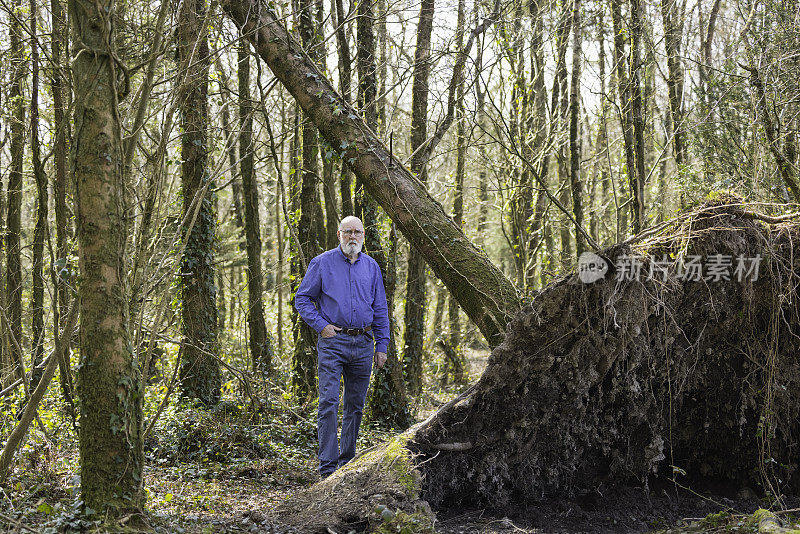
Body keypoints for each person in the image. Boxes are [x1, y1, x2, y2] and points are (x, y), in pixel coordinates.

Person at [295, 216, 389, 478]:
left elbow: (380, 308)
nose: (352, 236)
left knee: (355, 406)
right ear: (339, 234)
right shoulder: (322, 263)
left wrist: (382, 346)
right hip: (333, 342)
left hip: (363, 344)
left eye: (357, 232)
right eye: (347, 231)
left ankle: (346, 465)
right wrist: (321, 325)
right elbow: (302, 298)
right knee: (328, 402)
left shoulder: (371, 267)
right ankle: (327, 468)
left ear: (363, 236)